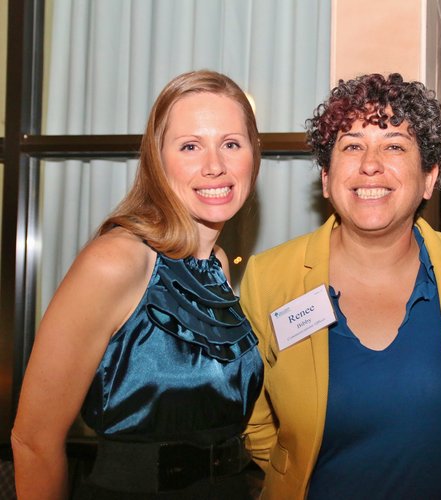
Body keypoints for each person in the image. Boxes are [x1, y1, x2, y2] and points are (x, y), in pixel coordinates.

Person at [239, 73, 441, 499]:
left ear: (430, 178)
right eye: (352, 145)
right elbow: (252, 416)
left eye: (394, 145)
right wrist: (292, 468)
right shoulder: (270, 278)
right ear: (326, 177)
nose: (370, 163)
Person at [11, 70, 264, 498]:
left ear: (254, 155)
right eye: (190, 146)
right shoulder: (117, 260)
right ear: (157, 160)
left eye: (231, 144)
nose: (215, 166)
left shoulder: (217, 264)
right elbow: (33, 442)